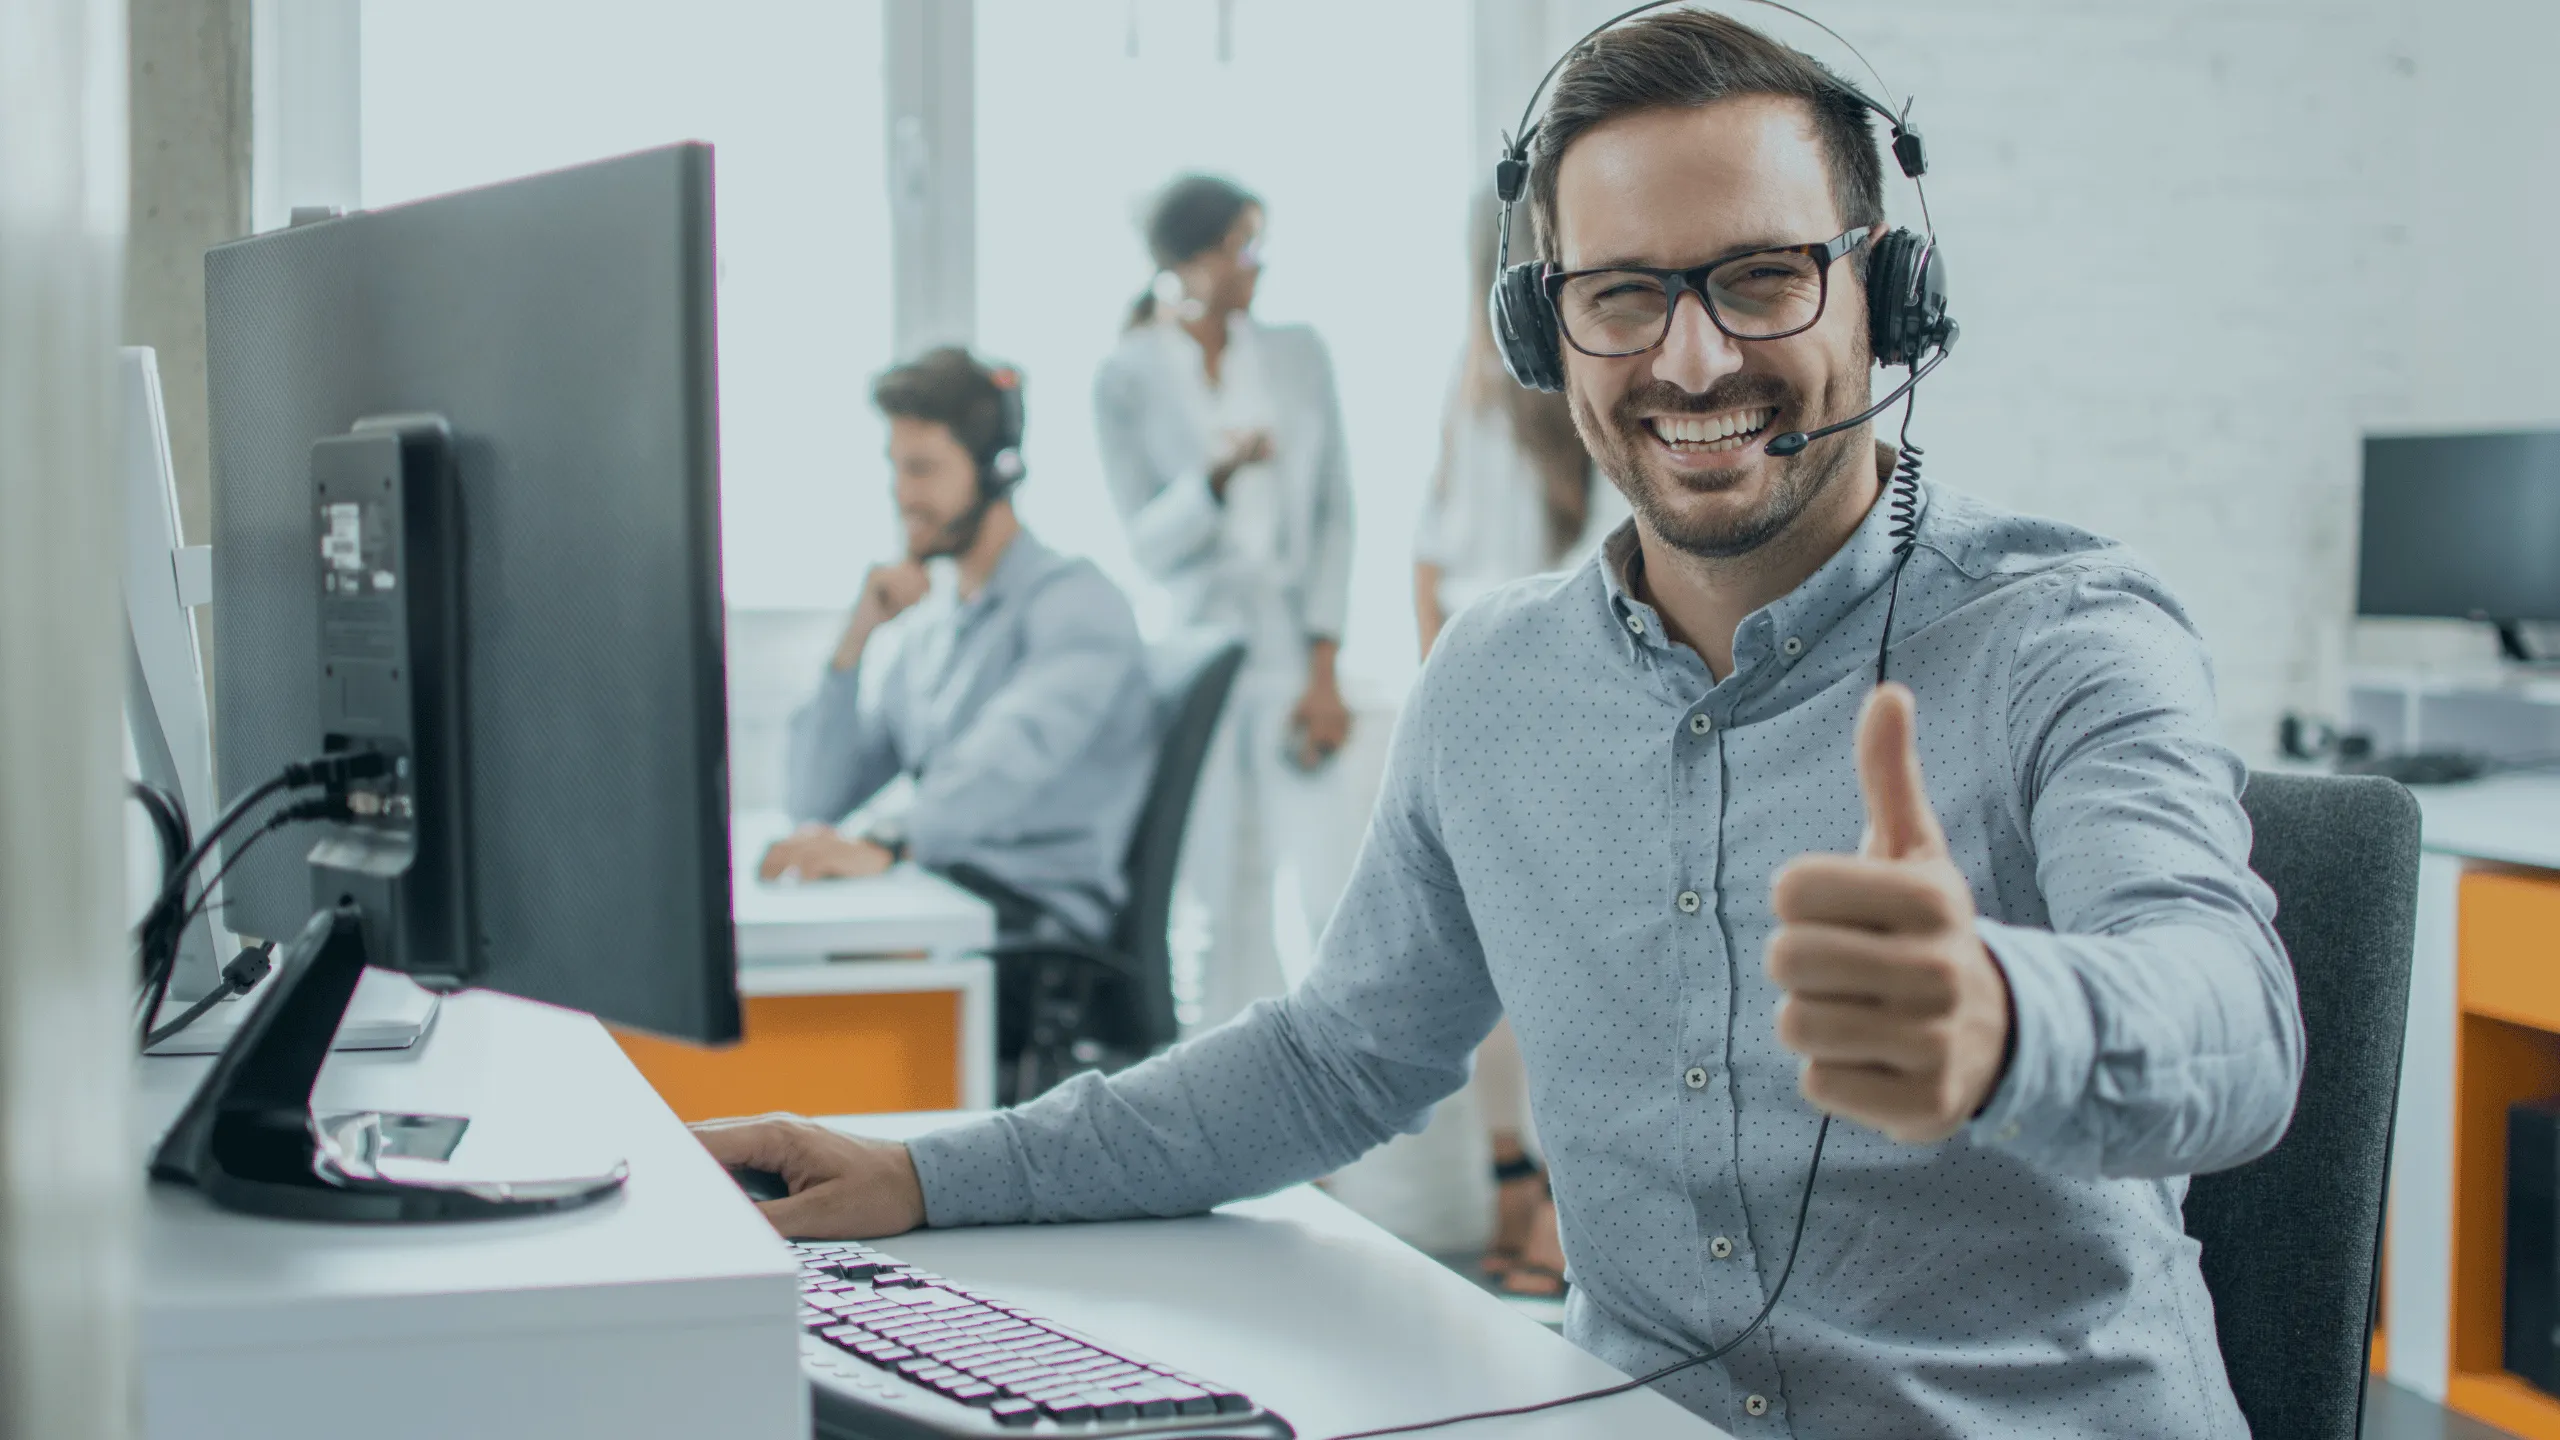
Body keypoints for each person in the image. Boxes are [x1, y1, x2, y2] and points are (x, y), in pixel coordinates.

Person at [698, 12, 2301, 1436]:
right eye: (1621, 295)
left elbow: (2235, 1017)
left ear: (1886, 291)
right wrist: (925, 1176)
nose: (1692, 358)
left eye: (1761, 277)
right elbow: (1336, 1060)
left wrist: (2009, 1016)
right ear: (1546, 333)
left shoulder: (2062, 635)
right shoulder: (1496, 685)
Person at [1416, 188, 1631, 1299]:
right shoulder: (1532, 396)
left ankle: (1526, 1202)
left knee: (1518, 975)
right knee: (1541, 979)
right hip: (1553, 712)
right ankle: (1538, 1208)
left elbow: (1427, 566)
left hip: (1528, 715)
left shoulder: (1493, 398)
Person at [761, 347, 1153, 954]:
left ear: (995, 469)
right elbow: (817, 801)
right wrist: (854, 641)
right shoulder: (933, 632)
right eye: (895, 468)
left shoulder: (1077, 606)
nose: (901, 495)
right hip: (946, 899)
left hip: (1036, 931)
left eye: (922, 469)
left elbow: (1011, 751)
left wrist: (889, 840)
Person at [1088, 173, 1357, 1030]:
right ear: (1193, 262)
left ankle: (1321, 1092)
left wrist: (1325, 668)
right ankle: (1213, 1086)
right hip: (1196, 653)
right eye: (1243, 247)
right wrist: (1214, 478)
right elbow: (1144, 542)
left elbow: (1334, 515)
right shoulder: (1124, 377)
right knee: (1207, 890)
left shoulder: (1298, 354)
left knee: (1322, 889)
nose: (1256, 266)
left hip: (1288, 656)